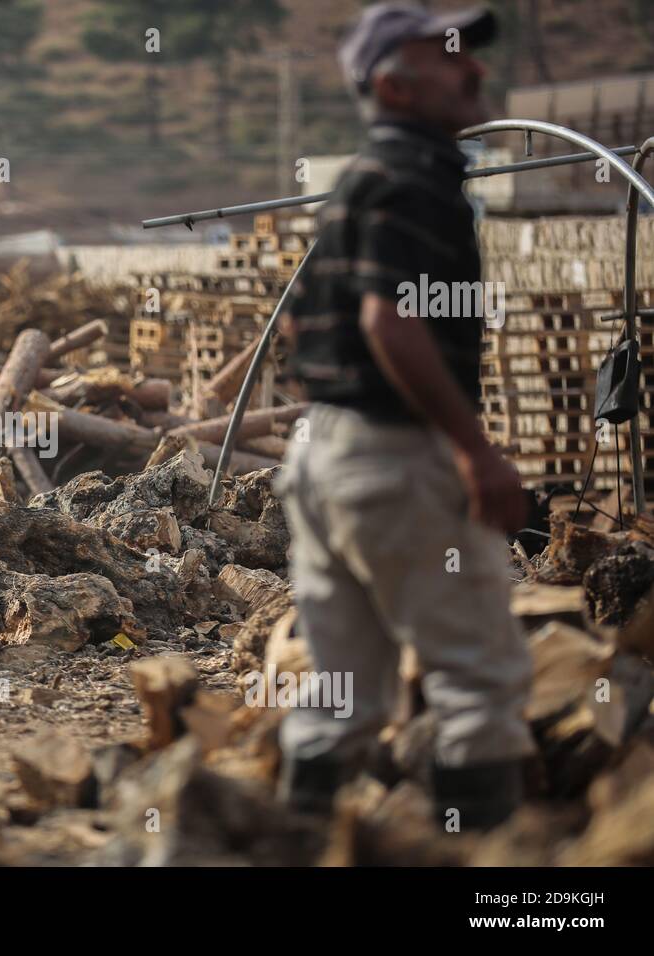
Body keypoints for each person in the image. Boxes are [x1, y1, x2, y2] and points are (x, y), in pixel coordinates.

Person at [276, 4, 534, 829]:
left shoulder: (355, 183)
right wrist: (477, 452)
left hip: (322, 453)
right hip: (394, 458)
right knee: (478, 680)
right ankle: (495, 883)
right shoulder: (416, 180)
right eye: (451, 56)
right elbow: (392, 322)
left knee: (343, 692)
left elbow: (308, 325)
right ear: (394, 82)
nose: (476, 70)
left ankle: (296, 839)